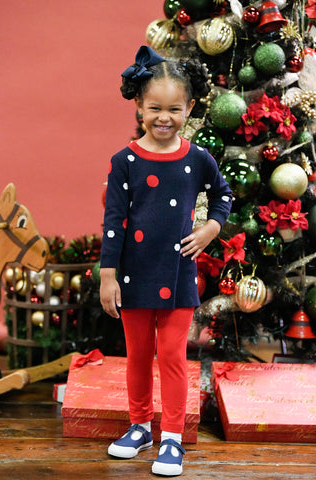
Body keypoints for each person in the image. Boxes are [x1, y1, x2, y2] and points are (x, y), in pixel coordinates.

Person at [100, 45, 232, 477]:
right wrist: (108, 277)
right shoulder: (125, 162)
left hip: (177, 277)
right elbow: (114, 222)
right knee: (138, 355)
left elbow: (223, 195)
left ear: (189, 108)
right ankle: (139, 425)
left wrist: (212, 227)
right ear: (139, 106)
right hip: (134, 277)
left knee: (172, 356)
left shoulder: (197, 159)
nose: (163, 117)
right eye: (154, 108)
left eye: (174, 109)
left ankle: (171, 436)